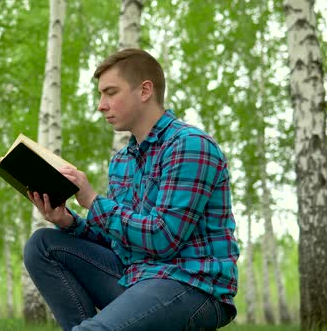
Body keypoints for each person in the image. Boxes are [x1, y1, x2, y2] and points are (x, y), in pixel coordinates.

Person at [24, 48, 239, 331]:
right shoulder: (122, 161)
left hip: (192, 285)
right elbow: (120, 241)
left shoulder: (190, 146)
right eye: (100, 95)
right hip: (136, 276)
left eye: (111, 93)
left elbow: (164, 239)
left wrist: (92, 201)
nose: (101, 105)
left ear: (145, 90)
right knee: (42, 244)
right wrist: (70, 222)